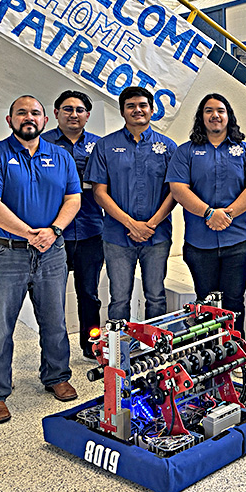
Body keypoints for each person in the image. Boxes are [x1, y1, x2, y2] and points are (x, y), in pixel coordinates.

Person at [0, 95, 81, 424]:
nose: (28, 118)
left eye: (35, 112)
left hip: (51, 252)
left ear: (45, 120)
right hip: (5, 253)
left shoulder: (60, 156)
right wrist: (30, 233)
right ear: (9, 120)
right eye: (22, 113)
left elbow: (73, 198)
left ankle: (57, 376)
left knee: (55, 321)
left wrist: (54, 230)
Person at [167, 94, 246, 329]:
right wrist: (209, 213)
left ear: (228, 115)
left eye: (220, 110)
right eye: (208, 110)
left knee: (233, 302)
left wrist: (228, 214)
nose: (215, 115)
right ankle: (209, 357)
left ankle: (233, 353)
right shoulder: (186, 152)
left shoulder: (245, 151)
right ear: (201, 117)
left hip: (237, 241)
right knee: (205, 303)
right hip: (199, 243)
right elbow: (178, 189)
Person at [85, 86, 177, 322]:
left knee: (156, 296)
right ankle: (120, 353)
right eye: (131, 106)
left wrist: (151, 224)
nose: (138, 110)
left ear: (152, 110)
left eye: (143, 105)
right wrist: (131, 224)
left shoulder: (168, 147)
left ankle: (155, 350)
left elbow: (175, 192)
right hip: (117, 236)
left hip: (157, 236)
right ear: (122, 112)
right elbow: (99, 192)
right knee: (119, 297)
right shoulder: (105, 146)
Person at [41, 90, 104, 360]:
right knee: (52, 298)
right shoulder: (42, 143)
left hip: (91, 230)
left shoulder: (99, 146)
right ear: (55, 114)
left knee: (89, 294)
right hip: (53, 233)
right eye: (67, 109)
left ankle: (92, 346)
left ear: (88, 115)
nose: (73, 114)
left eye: (79, 110)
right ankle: (55, 354)